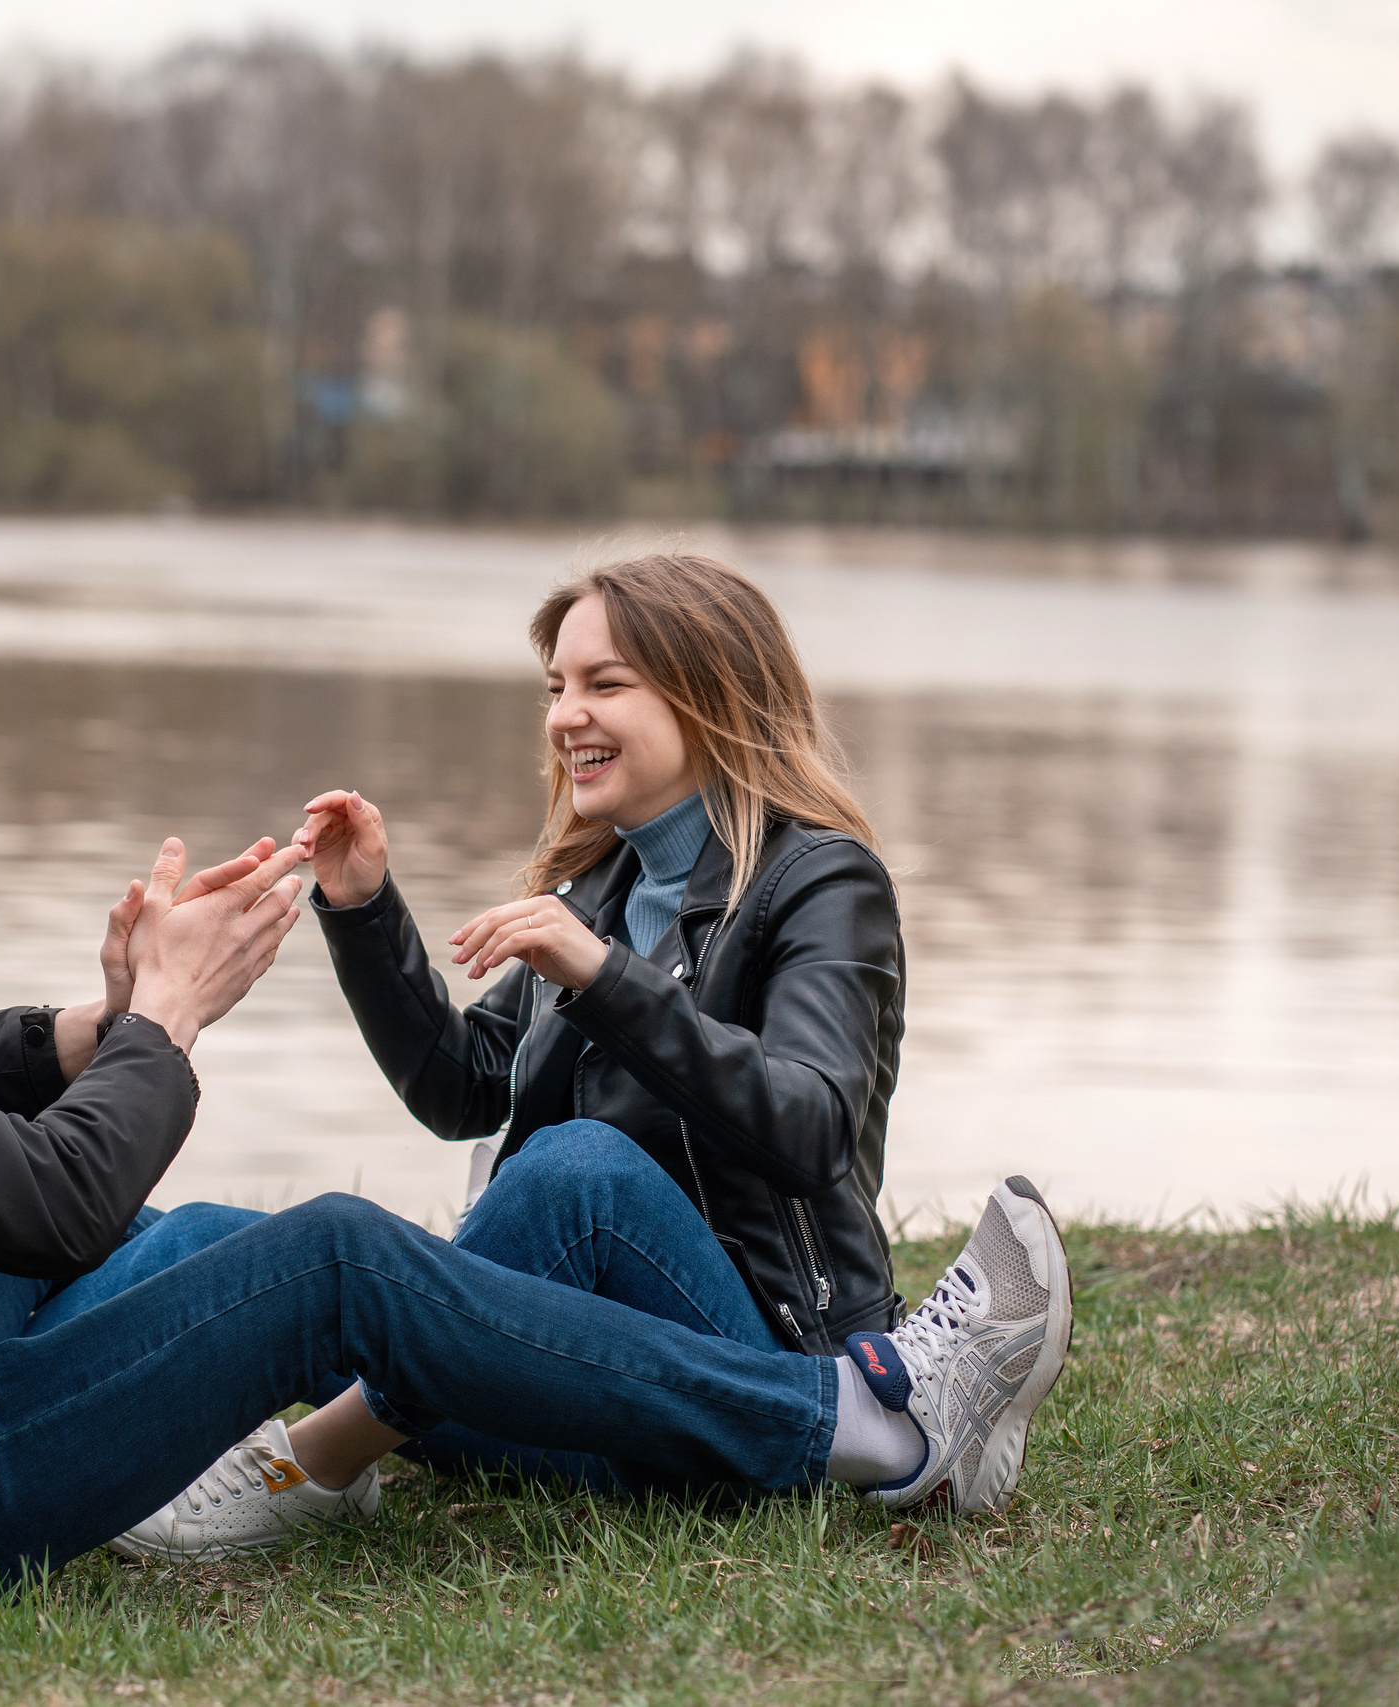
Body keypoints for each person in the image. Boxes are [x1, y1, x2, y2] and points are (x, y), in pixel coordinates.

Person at [0, 571, 1067, 1613]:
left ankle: (287, 1429)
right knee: (338, 1252)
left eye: (605, 683)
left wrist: (88, 1030)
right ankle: (874, 1417)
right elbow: (60, 1190)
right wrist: (166, 1022)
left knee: (215, 1237)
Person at [109, 551, 1070, 1560]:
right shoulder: (602, 890)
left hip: (754, 1361)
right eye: (556, 687)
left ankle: (310, 1466)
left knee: (578, 1174)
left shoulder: (821, 881)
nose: (566, 714)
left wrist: (607, 979)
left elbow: (813, 1125)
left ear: (711, 695)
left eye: (605, 684)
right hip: (574, 1374)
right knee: (221, 1245)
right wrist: (361, 910)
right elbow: (462, 1086)